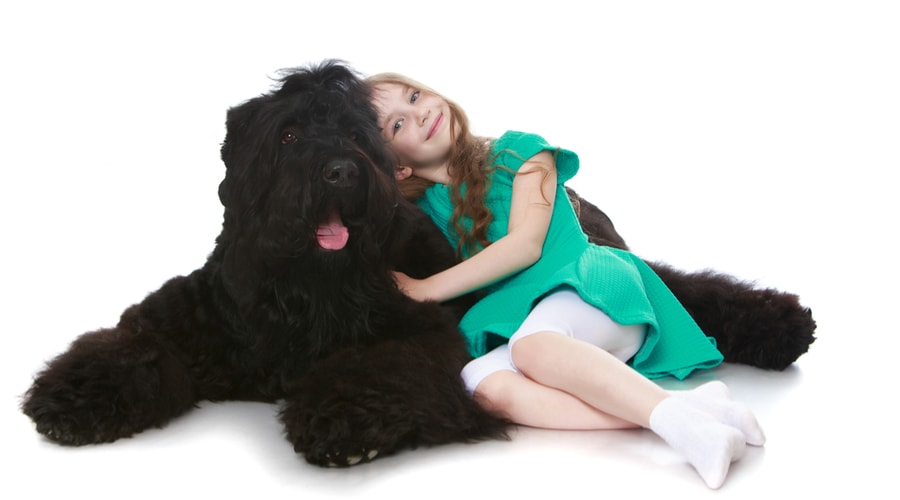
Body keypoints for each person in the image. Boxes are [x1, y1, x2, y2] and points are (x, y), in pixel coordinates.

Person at [367, 72, 765, 489]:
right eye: (397, 124)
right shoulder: (426, 210)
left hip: (593, 286)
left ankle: (683, 424)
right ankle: (685, 415)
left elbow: (526, 245)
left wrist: (426, 288)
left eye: (414, 96)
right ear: (398, 167)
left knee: (531, 348)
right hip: (541, 320)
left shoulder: (518, 151)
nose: (420, 112)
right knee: (481, 384)